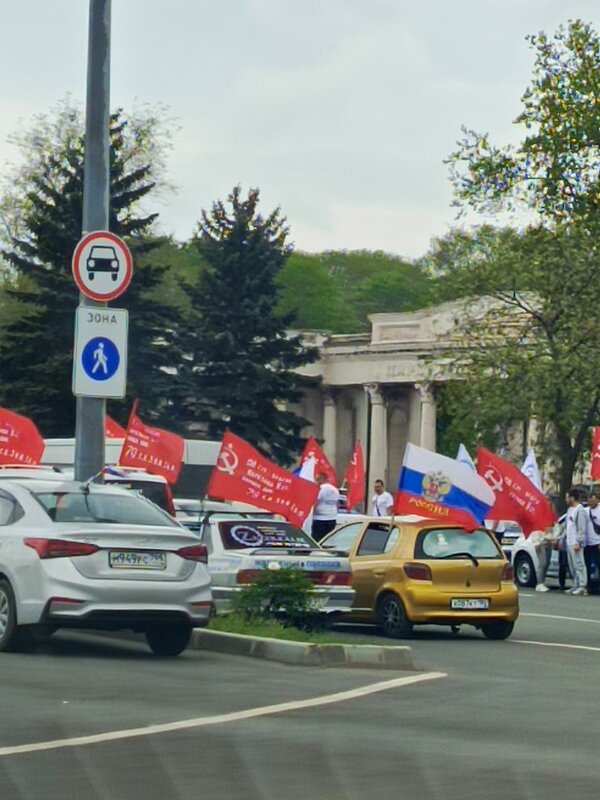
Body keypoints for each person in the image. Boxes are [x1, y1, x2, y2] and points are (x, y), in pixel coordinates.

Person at [564, 488, 588, 595]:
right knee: (572, 565)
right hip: (569, 542)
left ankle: (582, 585)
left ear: (572, 498)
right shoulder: (570, 510)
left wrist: (579, 542)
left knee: (579, 564)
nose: (566, 499)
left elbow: (582, 528)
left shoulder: (580, 510)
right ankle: (576, 584)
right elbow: (567, 526)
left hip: (576, 542)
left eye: (567, 497)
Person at [311, 472, 340, 542]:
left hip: (320, 519)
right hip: (332, 518)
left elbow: (314, 501)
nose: (316, 482)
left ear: (322, 479)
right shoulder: (334, 489)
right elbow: (337, 504)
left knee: (318, 541)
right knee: (329, 540)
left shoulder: (321, 488)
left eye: (317, 479)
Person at [529, 526, 554, 592]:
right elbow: (535, 531)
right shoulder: (539, 522)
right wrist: (536, 543)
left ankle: (542, 582)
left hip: (549, 542)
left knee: (547, 563)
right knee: (543, 563)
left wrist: (554, 538)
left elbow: (555, 529)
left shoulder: (551, 522)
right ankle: (539, 583)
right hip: (541, 543)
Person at [584, 492, 600, 593]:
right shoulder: (585, 511)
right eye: (590, 500)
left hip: (597, 543)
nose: (591, 502)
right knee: (587, 565)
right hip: (587, 544)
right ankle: (589, 586)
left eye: (593, 500)